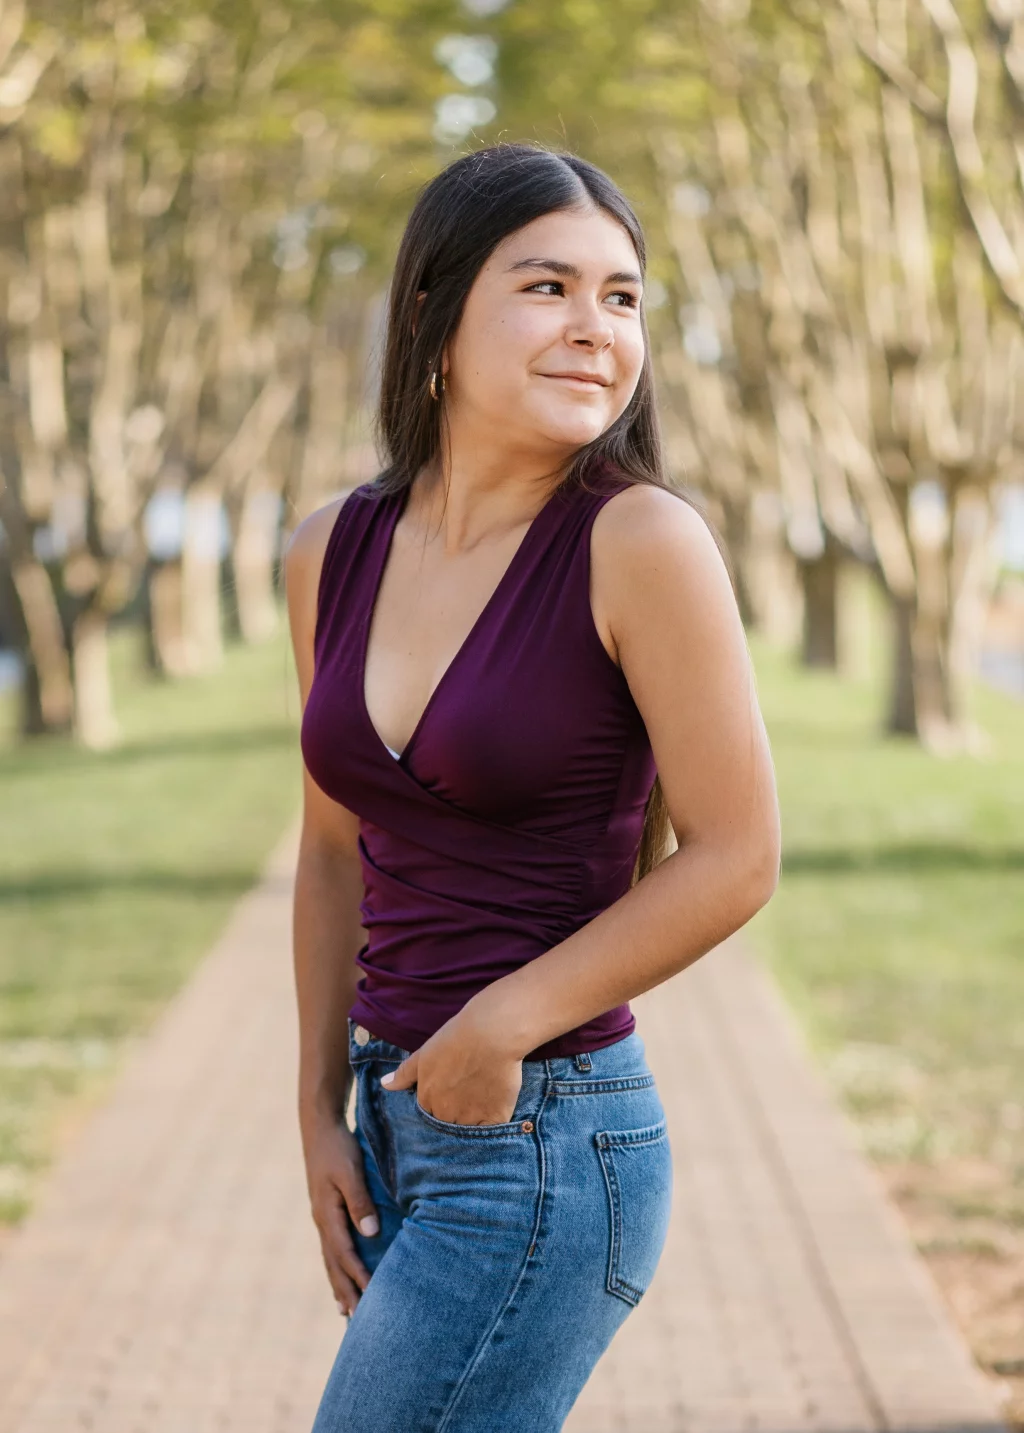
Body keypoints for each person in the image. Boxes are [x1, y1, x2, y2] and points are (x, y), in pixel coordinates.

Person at [285, 141, 780, 1433]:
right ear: (435, 319)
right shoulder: (330, 552)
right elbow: (336, 850)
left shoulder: (641, 542)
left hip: (550, 1145)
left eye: (621, 298)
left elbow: (737, 855)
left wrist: (504, 1022)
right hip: (397, 1127)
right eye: (548, 288)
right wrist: (315, 1108)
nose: (595, 330)